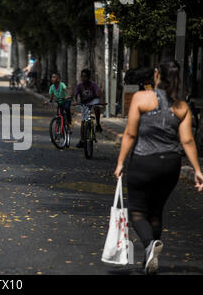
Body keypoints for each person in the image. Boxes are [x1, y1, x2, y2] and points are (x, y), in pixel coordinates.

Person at [114, 60, 203, 275]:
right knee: (156, 211)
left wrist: (120, 162)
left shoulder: (141, 98)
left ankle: (148, 245)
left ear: (156, 75)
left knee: (137, 211)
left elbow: (130, 134)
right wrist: (198, 170)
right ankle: (149, 258)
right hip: (170, 165)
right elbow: (188, 141)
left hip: (144, 162)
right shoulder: (182, 107)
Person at [74, 69, 103, 148]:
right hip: (84, 103)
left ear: (89, 77)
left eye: (85, 76)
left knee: (97, 106)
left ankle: (98, 124)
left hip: (93, 100)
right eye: (82, 76)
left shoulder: (92, 84)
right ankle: (82, 140)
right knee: (83, 122)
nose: (84, 78)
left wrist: (100, 97)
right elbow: (75, 95)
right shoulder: (79, 85)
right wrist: (76, 101)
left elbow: (98, 91)